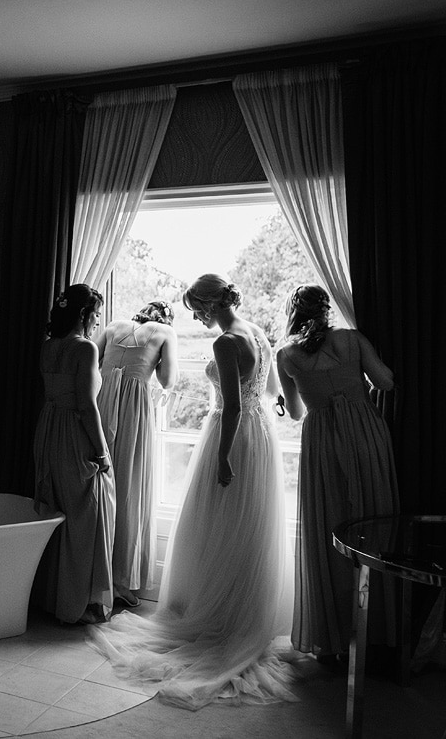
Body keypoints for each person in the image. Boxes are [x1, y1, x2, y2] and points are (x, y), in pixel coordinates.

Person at [87, 274, 299, 709]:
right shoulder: (257, 332)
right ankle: (241, 615)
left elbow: (234, 405)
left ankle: (218, 619)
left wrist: (223, 457)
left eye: (197, 310)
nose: (197, 319)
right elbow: (272, 392)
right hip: (261, 439)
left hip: (231, 435)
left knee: (216, 527)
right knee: (244, 530)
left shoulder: (225, 343)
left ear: (208, 305)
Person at [276, 284, 399, 662]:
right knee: (374, 526)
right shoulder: (351, 339)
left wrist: (289, 398)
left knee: (328, 531)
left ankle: (333, 640)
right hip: (364, 436)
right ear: (328, 310)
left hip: (323, 445)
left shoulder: (286, 355)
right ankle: (378, 636)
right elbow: (386, 382)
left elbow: (296, 413)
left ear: (292, 315)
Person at [33, 283, 116, 625]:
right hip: (73, 435)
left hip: (49, 429)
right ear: (83, 314)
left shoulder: (49, 346)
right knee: (87, 517)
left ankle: (55, 599)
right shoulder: (84, 350)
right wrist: (101, 453)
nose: (98, 322)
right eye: (96, 314)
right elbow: (86, 406)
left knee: (58, 513)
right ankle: (80, 604)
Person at [95, 300, 178, 610]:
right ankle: (120, 581)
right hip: (133, 411)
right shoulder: (166, 331)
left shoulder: (114, 325)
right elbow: (168, 380)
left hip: (102, 403)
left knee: (101, 486)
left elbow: (91, 358)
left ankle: (95, 576)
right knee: (130, 489)